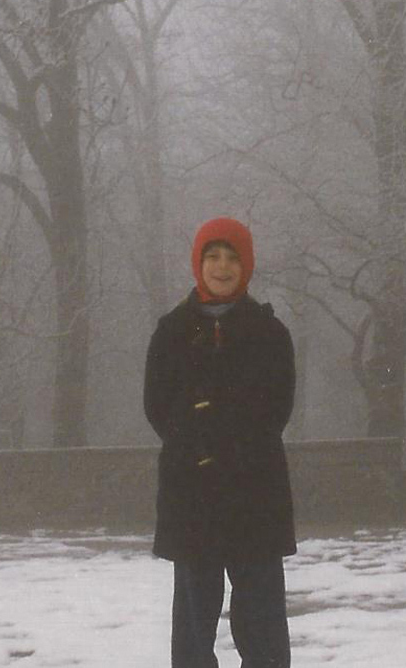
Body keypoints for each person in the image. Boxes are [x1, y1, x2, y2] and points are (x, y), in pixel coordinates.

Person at [144, 216, 296, 668]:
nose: (222, 267)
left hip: (256, 496)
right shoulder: (171, 331)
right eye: (213, 256)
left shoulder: (270, 333)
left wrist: (234, 451)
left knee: (263, 624)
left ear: (246, 265)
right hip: (191, 496)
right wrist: (199, 449)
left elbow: (277, 409)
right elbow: (158, 408)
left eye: (232, 257)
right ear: (199, 262)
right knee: (193, 626)